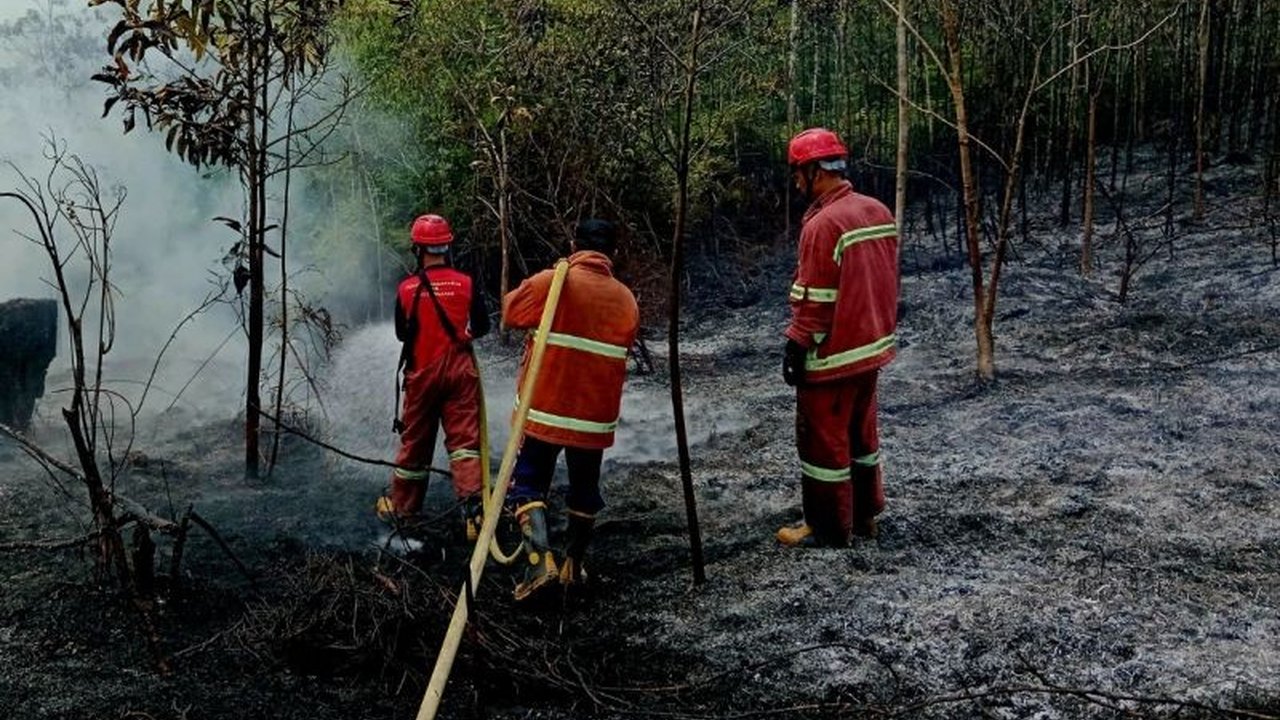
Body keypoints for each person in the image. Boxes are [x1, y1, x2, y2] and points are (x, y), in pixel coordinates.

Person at [502, 219, 640, 600]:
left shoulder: (553, 283)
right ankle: (572, 567)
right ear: (612, 252)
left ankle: (537, 565)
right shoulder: (626, 299)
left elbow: (510, 312)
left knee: (527, 483)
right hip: (593, 419)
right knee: (584, 490)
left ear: (575, 245)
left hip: (544, 409)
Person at [776, 128, 899, 548]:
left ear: (815, 171)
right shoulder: (878, 211)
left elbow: (815, 299)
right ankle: (865, 516)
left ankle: (827, 527)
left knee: (823, 446)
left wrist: (796, 344)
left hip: (832, 357)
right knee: (862, 438)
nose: (795, 182)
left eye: (798, 172)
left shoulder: (824, 224)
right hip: (871, 351)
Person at [376, 213, 491, 541]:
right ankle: (473, 513)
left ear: (417, 248)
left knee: (415, 444)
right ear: (446, 246)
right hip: (459, 373)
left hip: (422, 375)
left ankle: (404, 509)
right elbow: (481, 327)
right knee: (465, 443)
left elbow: (402, 334)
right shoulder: (466, 283)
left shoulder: (407, 288)